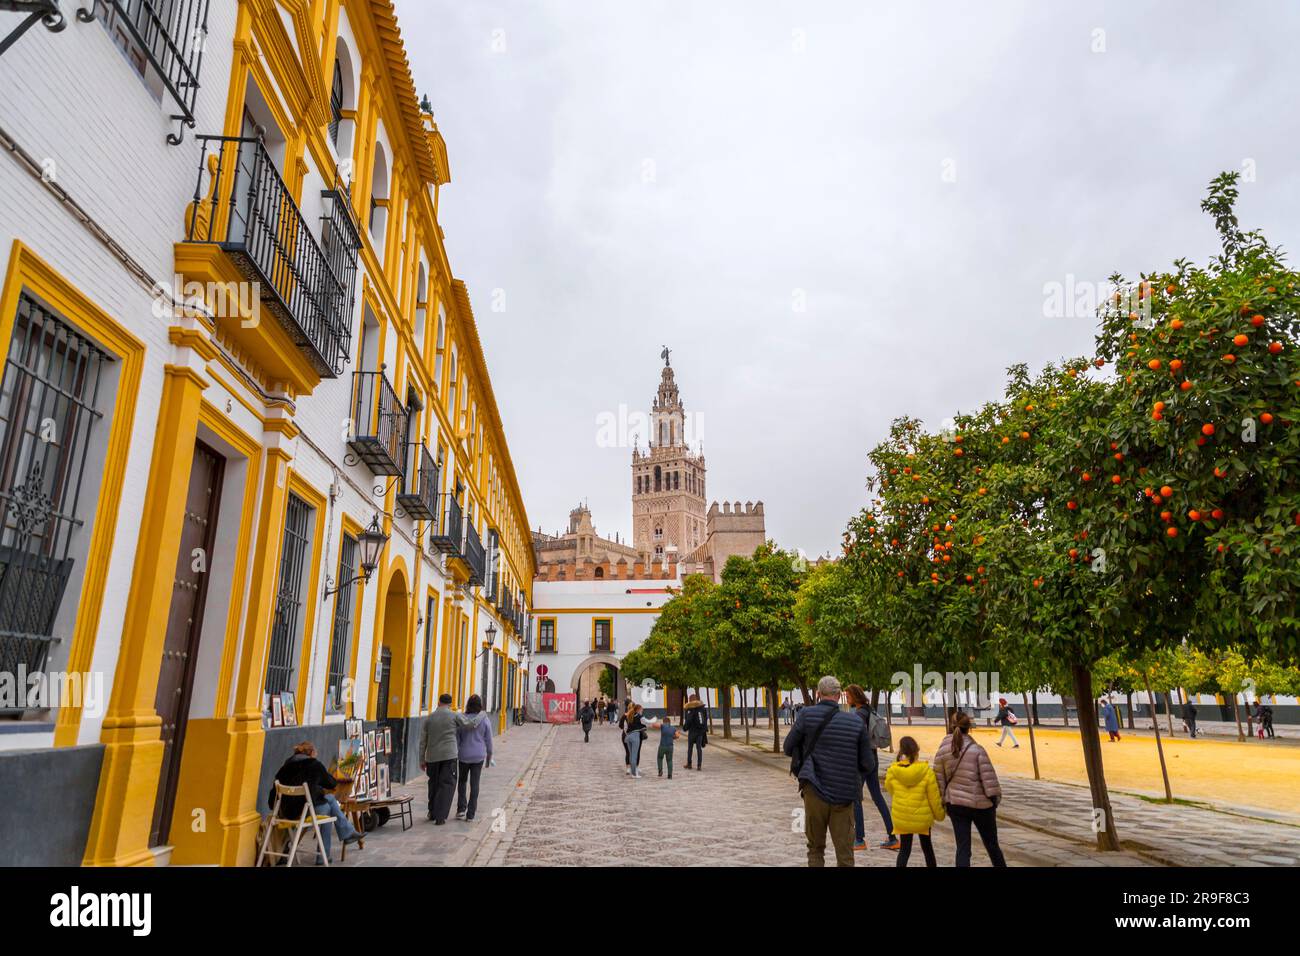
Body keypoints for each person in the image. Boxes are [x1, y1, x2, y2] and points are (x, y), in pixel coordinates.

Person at [782, 675, 873, 868]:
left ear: (818, 694)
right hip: (844, 794)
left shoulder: (806, 715)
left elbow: (788, 747)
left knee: (815, 848)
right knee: (845, 854)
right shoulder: (855, 723)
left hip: (814, 791)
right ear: (839, 696)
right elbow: (868, 763)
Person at [933, 712, 1006, 867]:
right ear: (969, 728)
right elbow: (989, 780)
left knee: (963, 848)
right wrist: (994, 799)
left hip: (956, 804)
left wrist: (944, 800)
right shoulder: (977, 749)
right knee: (992, 846)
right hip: (981, 805)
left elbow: (938, 778)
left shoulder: (943, 750)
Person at [271, 741, 360, 864]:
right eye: (315, 753)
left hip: (286, 810)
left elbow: (273, 793)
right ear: (311, 753)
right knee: (328, 807)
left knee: (329, 801)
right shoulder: (314, 765)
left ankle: (347, 833)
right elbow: (331, 783)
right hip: (303, 811)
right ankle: (325, 854)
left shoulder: (286, 765)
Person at [844, 684, 897, 851]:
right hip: (873, 758)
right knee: (878, 798)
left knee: (856, 798)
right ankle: (893, 836)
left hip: (862, 761)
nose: (847, 698)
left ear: (854, 696)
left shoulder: (859, 715)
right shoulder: (869, 710)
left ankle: (859, 839)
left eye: (848, 695)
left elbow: (856, 739)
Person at [419, 693, 483, 824]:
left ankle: (432, 811)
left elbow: (422, 741)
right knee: (447, 785)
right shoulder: (454, 716)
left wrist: (422, 759)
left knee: (433, 784)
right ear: (450, 704)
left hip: (432, 756)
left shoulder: (429, 718)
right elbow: (470, 725)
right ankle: (440, 816)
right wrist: (481, 715)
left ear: (438, 702)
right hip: (449, 756)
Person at [884, 736, 944, 868]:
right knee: (927, 849)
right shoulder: (926, 771)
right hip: (922, 818)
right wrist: (940, 815)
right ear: (916, 751)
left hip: (903, 816)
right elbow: (934, 798)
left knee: (905, 850)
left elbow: (889, 788)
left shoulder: (893, 771)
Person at [454, 694, 493, 822]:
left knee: (462, 782)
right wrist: (489, 757)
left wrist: (458, 750)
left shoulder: (462, 719)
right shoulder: (485, 720)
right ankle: (471, 814)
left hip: (464, 755)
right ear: (480, 705)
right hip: (478, 756)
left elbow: (457, 737)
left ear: (468, 705)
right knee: (475, 784)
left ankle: (461, 809)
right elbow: (489, 741)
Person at [683, 692, 708, 770]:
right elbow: (706, 719)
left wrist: (685, 728)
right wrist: (704, 730)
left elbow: (688, 720)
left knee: (690, 748)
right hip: (700, 732)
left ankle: (689, 764)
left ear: (690, 701)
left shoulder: (689, 709)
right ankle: (699, 765)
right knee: (699, 748)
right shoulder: (703, 708)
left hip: (692, 731)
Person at [624, 704, 648, 778]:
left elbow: (625, 728)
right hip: (635, 736)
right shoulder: (639, 716)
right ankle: (634, 774)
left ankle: (632, 771)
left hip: (628, 736)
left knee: (631, 755)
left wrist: (628, 734)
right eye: (641, 710)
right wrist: (654, 720)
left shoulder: (629, 716)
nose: (642, 711)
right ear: (638, 709)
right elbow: (647, 722)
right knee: (634, 755)